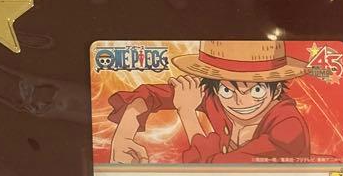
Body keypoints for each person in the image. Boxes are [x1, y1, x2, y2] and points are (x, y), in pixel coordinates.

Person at [108, 40, 310, 164]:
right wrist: (123, 136)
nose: (240, 101)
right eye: (227, 90)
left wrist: (187, 112)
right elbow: (149, 95)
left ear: (276, 90)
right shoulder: (217, 99)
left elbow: (212, 170)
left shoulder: (289, 127)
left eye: (256, 90)